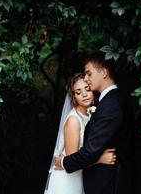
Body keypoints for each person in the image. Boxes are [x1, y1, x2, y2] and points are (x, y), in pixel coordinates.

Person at [54, 54, 133, 194]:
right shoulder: (111, 101)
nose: (86, 78)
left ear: (103, 72)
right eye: (78, 92)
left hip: (105, 182)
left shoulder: (110, 105)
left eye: (89, 74)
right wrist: (99, 158)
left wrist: (64, 162)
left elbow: (90, 152)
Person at [44, 73, 116, 194]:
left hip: (80, 177)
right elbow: (73, 161)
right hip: (67, 180)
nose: (84, 94)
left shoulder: (91, 114)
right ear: (73, 96)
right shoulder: (74, 120)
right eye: (78, 92)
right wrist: (100, 159)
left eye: (87, 89)